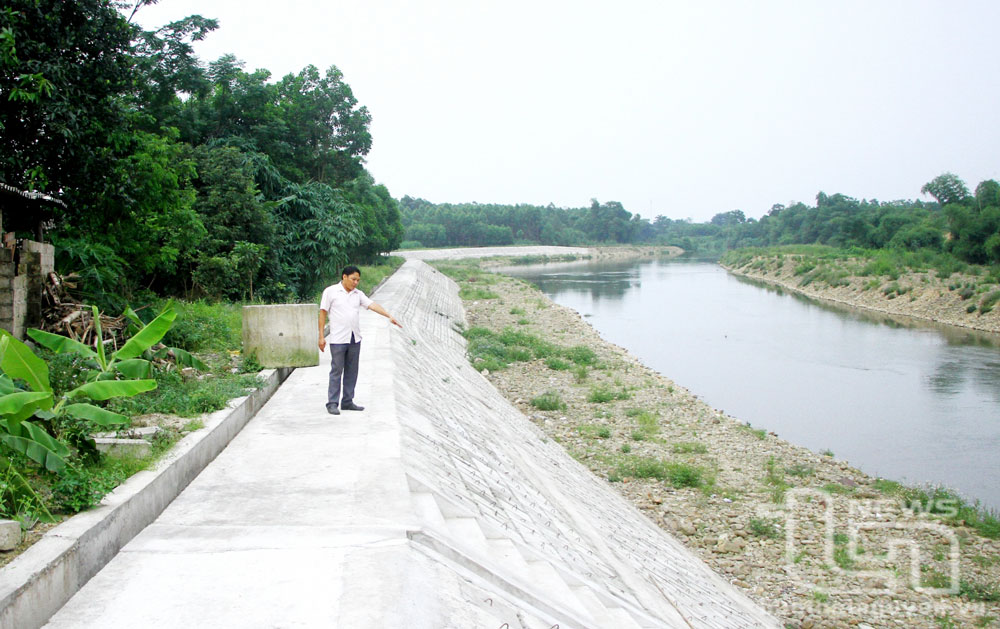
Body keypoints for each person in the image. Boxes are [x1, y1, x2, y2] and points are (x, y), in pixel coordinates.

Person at [318, 265, 402, 415]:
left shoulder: (358, 294)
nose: (356, 282)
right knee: (336, 370)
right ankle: (332, 403)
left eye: (358, 280)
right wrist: (321, 336)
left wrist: (388, 315)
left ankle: (348, 401)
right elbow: (323, 313)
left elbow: (372, 305)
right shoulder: (330, 292)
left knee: (352, 371)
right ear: (344, 277)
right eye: (353, 279)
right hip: (338, 338)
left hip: (354, 338)